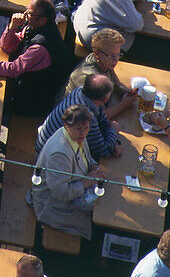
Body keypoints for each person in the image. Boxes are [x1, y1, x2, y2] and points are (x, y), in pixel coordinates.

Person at [0, 0, 71, 114]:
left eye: (30, 13)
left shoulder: (41, 47)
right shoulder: (33, 27)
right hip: (25, 82)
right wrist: (12, 27)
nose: (24, 15)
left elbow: (13, 70)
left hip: (35, 100)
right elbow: (7, 46)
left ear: (42, 20)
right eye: (26, 10)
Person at [30, 105, 104, 239]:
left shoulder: (76, 135)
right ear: (66, 126)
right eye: (79, 129)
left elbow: (86, 157)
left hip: (74, 191)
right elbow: (61, 194)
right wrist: (86, 182)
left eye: (86, 128)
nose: (83, 133)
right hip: (53, 206)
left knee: (105, 202)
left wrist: (93, 166)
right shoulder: (59, 154)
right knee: (101, 214)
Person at [38, 74, 121, 162]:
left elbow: (102, 121)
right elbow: (103, 151)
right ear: (105, 99)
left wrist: (113, 139)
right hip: (50, 156)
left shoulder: (81, 91)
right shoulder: (86, 115)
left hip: (46, 141)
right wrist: (113, 131)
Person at [62, 27, 136, 117]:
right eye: (112, 55)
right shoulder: (91, 79)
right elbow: (101, 116)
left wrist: (123, 90)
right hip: (70, 119)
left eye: (118, 54)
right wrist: (124, 105)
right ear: (97, 54)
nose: (116, 60)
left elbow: (113, 76)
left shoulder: (104, 61)